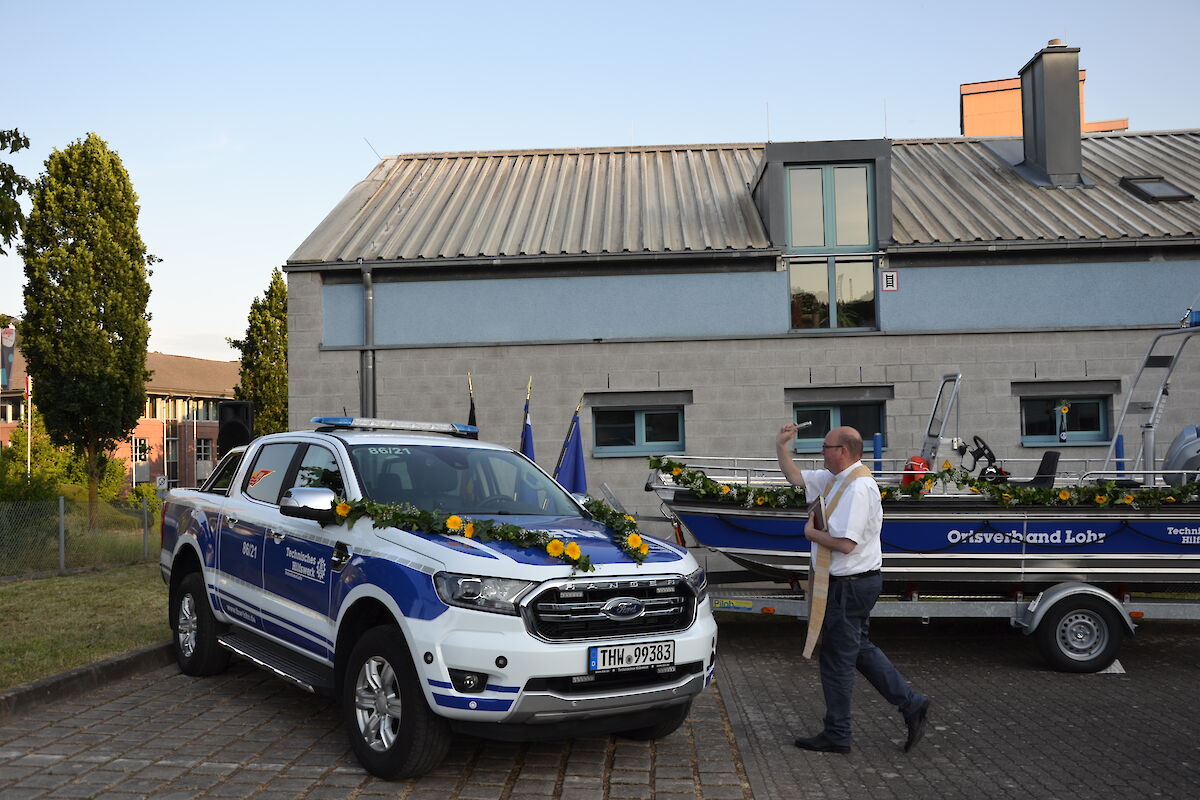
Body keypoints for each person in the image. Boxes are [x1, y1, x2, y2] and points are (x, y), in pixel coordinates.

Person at [775, 422, 930, 754]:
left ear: (842, 452)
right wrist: (781, 446)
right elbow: (795, 477)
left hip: (850, 585)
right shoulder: (835, 479)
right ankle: (912, 703)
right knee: (857, 649)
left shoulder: (858, 488)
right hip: (850, 584)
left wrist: (811, 534)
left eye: (826, 448)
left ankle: (839, 733)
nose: (822, 453)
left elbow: (845, 544)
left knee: (837, 659)